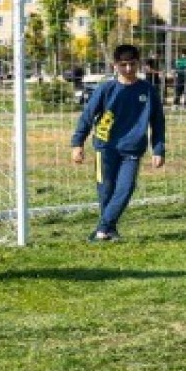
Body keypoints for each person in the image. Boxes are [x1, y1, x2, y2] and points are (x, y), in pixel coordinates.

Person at [70, 44, 166, 242]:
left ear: (138, 64)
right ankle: (108, 230)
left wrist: (158, 149)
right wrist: (77, 143)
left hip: (132, 150)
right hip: (104, 149)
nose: (128, 69)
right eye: (123, 65)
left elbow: (158, 122)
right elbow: (88, 116)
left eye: (132, 64)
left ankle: (101, 229)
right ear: (115, 66)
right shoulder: (106, 89)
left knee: (126, 188)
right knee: (106, 191)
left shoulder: (148, 91)